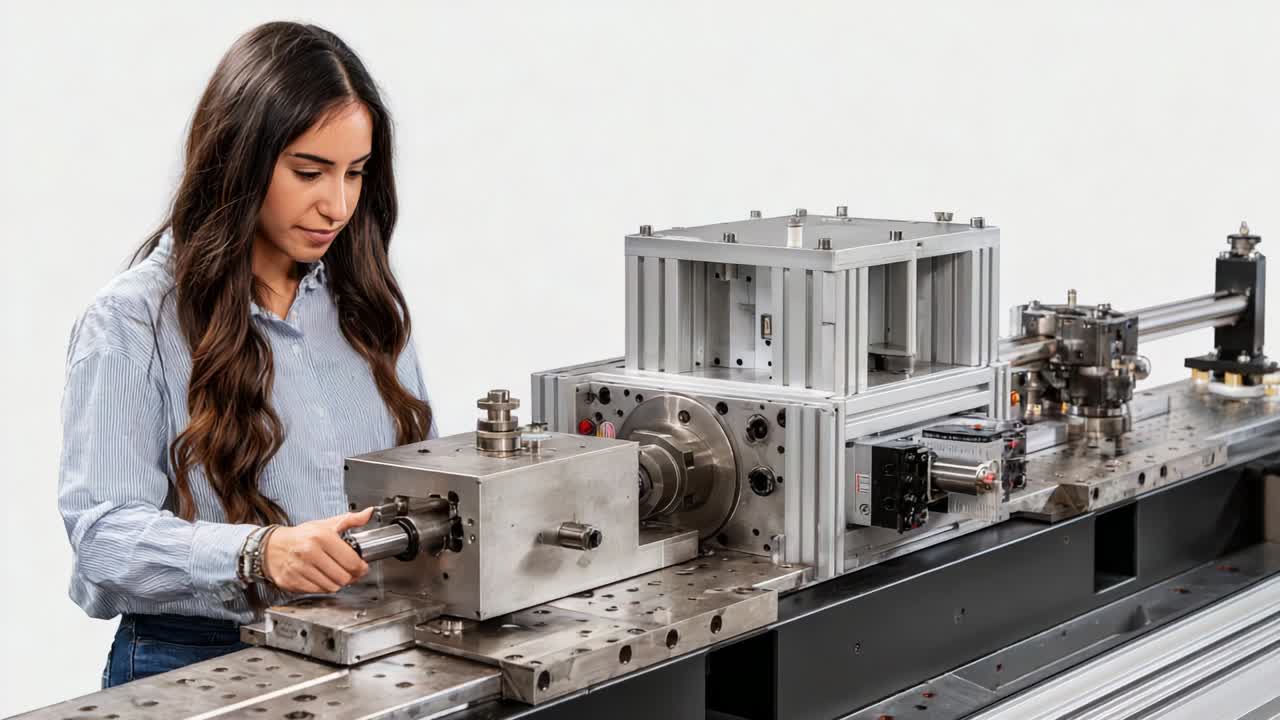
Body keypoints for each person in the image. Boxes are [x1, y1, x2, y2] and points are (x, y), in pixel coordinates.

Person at [57, 21, 435, 687]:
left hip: (364, 654)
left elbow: (428, 482)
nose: (338, 204)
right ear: (239, 157)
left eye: (356, 173)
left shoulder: (365, 306)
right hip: (195, 660)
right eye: (309, 172)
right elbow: (103, 536)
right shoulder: (130, 322)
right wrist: (258, 553)